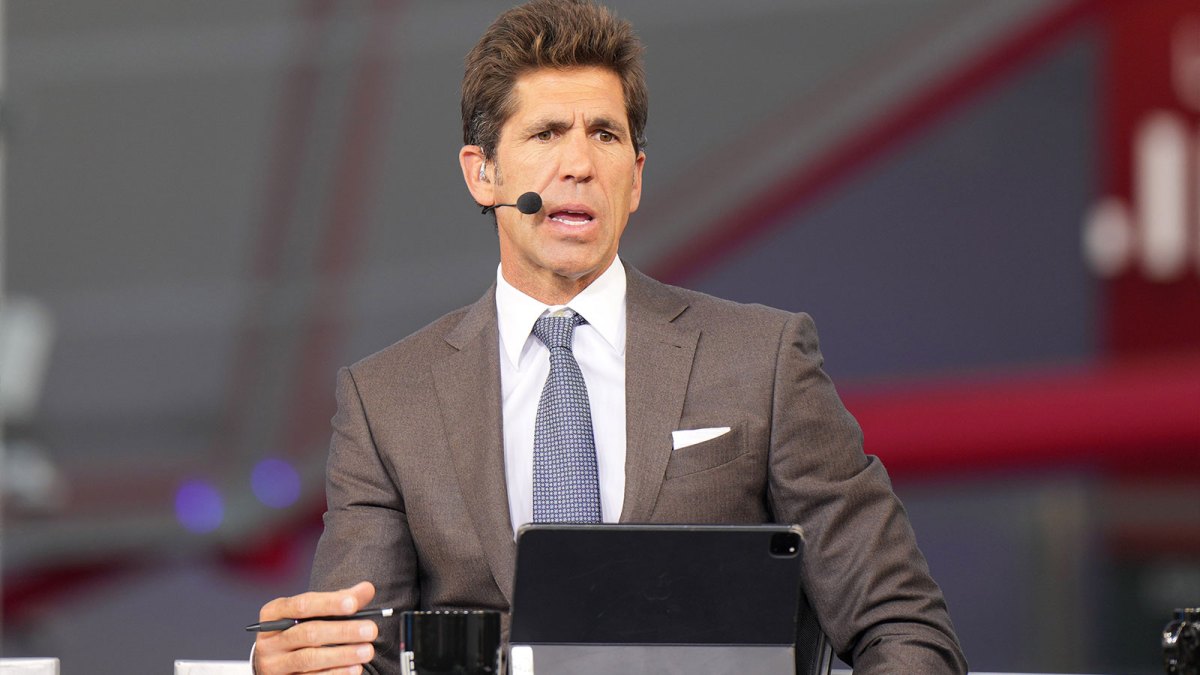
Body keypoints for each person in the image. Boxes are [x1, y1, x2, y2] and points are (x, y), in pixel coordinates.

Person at [252, 1, 968, 674]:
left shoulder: (763, 361)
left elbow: (903, 627)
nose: (579, 165)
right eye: (545, 134)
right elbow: (359, 647)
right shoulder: (387, 401)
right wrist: (300, 659)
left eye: (605, 134)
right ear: (483, 173)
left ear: (635, 178)